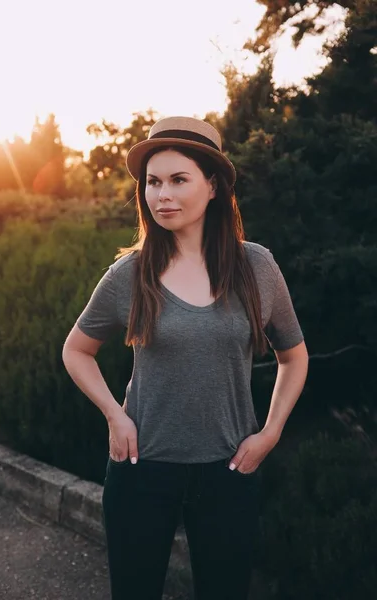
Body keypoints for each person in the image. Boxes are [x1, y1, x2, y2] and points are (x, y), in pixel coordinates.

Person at [62, 116, 309, 600]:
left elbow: (294, 356)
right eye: (153, 182)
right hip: (141, 466)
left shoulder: (256, 266)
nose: (162, 195)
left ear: (213, 186)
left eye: (179, 180)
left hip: (230, 470)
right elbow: (76, 350)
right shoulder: (129, 273)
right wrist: (115, 416)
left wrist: (271, 432)